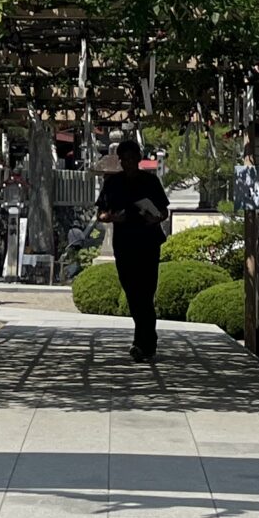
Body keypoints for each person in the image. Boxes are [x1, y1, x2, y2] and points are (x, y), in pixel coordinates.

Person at [96, 135, 171, 362]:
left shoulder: (150, 181)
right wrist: (112, 217)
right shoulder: (113, 183)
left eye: (132, 158)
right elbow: (100, 213)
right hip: (125, 243)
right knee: (132, 292)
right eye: (124, 159)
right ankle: (147, 339)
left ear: (138, 158)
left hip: (148, 241)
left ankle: (143, 343)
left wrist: (155, 217)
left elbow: (164, 211)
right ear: (120, 160)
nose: (128, 162)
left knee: (146, 292)